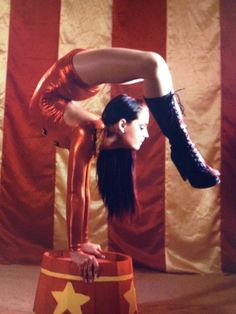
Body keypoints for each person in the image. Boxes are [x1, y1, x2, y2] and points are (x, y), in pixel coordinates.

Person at [30, 48, 220, 283]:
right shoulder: (88, 132)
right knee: (154, 65)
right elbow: (76, 192)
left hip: (61, 92)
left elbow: (81, 191)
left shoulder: (91, 135)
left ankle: (182, 149)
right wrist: (76, 248)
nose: (147, 136)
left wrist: (82, 242)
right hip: (60, 85)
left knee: (156, 68)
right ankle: (183, 149)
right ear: (121, 125)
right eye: (142, 127)